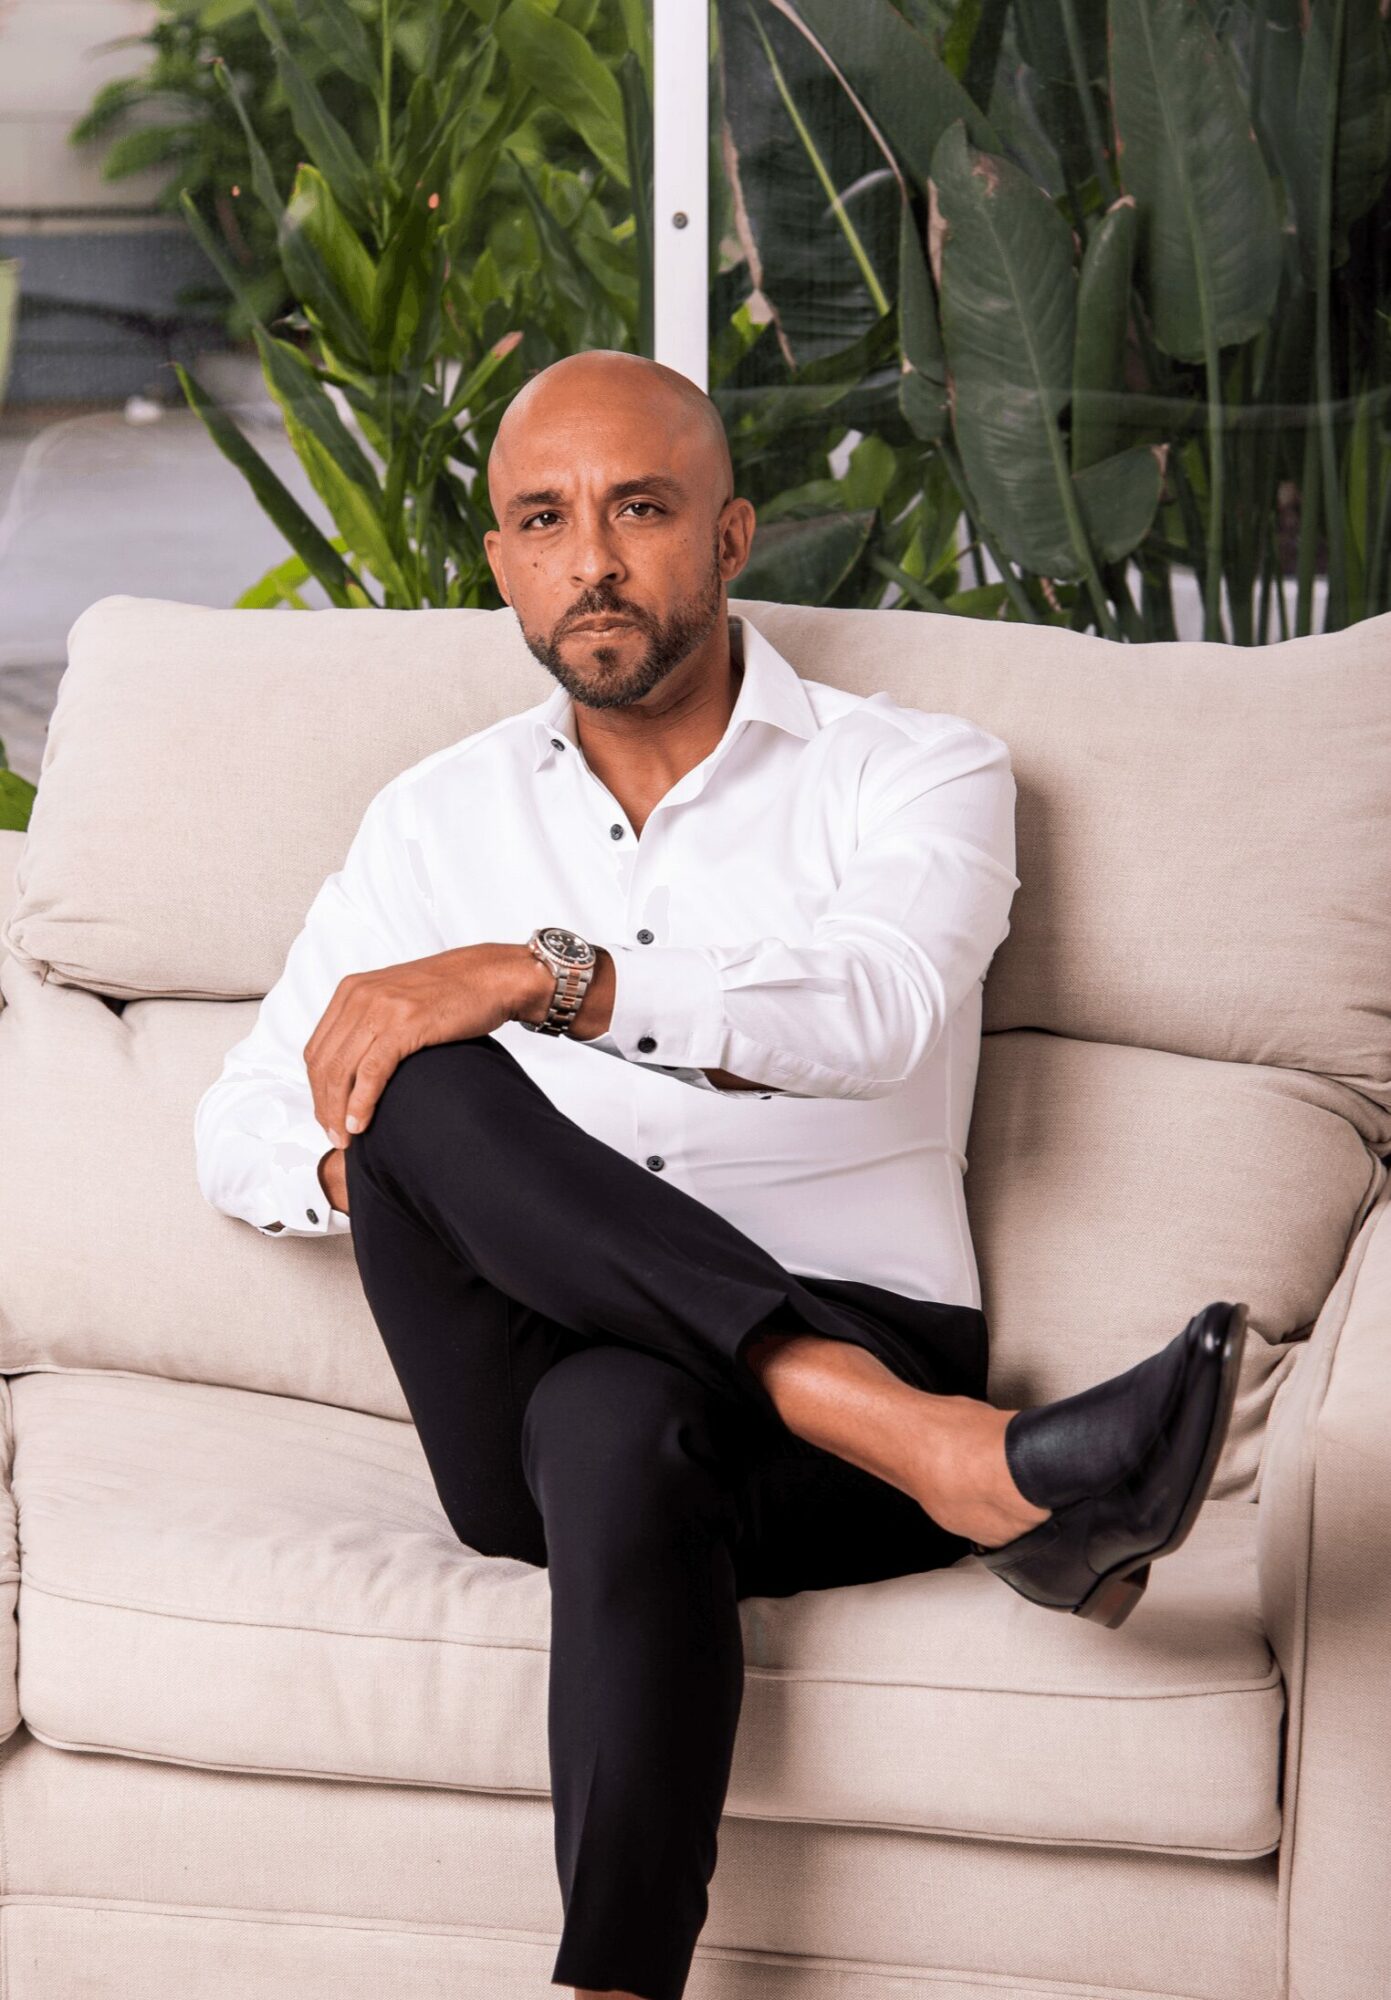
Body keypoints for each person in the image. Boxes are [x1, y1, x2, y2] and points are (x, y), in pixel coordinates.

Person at [194, 348, 1247, 2000]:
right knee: (417, 1082)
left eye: (640, 508)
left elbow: (882, 1012)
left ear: (734, 536)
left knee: (619, 1409)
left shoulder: (918, 769)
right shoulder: (430, 819)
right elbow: (243, 1124)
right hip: (547, 1403)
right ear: (500, 566)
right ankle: (956, 1461)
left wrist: (557, 980)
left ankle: (607, 1989)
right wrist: (449, 1177)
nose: (592, 558)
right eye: (543, 519)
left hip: (807, 1376)